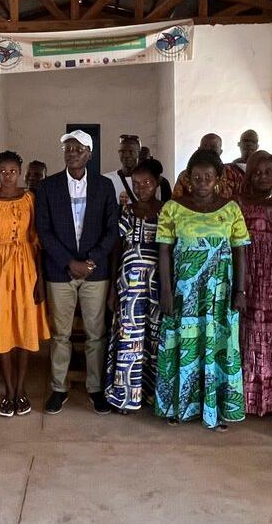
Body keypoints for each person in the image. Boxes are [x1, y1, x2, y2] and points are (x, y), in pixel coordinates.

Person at [155, 149, 250, 430]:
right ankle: (177, 406)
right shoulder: (172, 208)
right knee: (181, 347)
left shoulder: (231, 208)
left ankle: (217, 409)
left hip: (219, 294)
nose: (202, 182)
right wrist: (166, 291)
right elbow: (164, 252)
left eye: (208, 176)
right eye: (197, 177)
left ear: (218, 178)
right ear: (188, 177)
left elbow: (240, 252)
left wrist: (240, 291)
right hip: (184, 293)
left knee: (217, 347)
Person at [35, 130, 120, 415]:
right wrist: (69, 262)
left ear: (89, 155)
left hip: (95, 273)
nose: (72, 152)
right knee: (61, 335)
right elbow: (43, 231)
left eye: (79, 148)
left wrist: (91, 261)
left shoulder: (105, 186)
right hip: (60, 272)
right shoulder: (47, 187)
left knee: (96, 334)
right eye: (68, 148)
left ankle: (95, 389)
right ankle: (59, 388)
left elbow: (112, 230)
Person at [0, 151, 50, 417]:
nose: (8, 176)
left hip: (27, 267)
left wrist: (39, 277)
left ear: (20, 172)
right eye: (3, 171)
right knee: (3, 328)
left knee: (24, 328)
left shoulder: (30, 199)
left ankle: (21, 389)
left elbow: (37, 238)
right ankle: (8, 391)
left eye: (13, 171)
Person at [104, 158, 164, 413]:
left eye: (147, 183)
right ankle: (126, 397)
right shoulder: (126, 212)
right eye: (136, 184)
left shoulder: (167, 211)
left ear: (157, 183)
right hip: (129, 284)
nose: (141, 188)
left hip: (158, 284)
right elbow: (116, 250)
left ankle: (152, 397)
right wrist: (111, 288)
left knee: (155, 339)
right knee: (130, 338)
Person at [236, 150, 272, 418]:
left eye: (268, 171)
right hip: (247, 273)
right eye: (256, 172)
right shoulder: (237, 203)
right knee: (248, 331)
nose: (262, 177)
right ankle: (247, 397)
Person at [104, 134, 171, 205]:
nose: (126, 155)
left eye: (131, 152)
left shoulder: (157, 181)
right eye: (122, 151)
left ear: (139, 153)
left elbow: (168, 209)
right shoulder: (107, 180)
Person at [172, 133, 244, 198]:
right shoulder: (185, 175)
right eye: (205, 146)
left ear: (220, 152)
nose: (208, 150)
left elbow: (241, 202)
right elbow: (176, 203)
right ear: (199, 149)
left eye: (213, 147)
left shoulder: (233, 174)